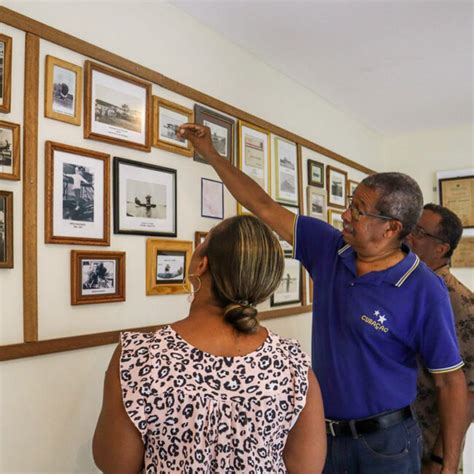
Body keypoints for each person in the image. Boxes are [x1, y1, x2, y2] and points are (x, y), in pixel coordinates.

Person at [176, 123, 469, 474]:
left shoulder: (424, 288)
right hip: (322, 435)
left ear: (391, 228)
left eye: (359, 210)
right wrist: (211, 152)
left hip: (387, 445)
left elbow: (449, 381)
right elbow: (263, 205)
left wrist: (447, 463)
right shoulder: (329, 248)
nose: (346, 215)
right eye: (350, 204)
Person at [93, 215, 326, 473]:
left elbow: (115, 465)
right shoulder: (291, 363)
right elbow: (306, 468)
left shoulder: (139, 356)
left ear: (201, 265)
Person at [406, 204, 474, 472]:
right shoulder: (404, 288)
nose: (409, 235)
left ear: (441, 249)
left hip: (430, 449)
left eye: (419, 232)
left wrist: (440, 460)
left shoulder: (461, 303)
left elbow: (469, 394)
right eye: (411, 227)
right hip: (394, 444)